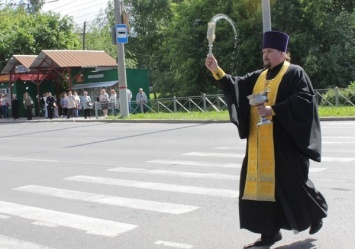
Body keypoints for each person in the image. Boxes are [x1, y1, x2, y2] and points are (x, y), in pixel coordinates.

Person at [205, 31, 328, 248]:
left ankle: (315, 212)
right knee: (258, 187)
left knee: (294, 184)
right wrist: (217, 71)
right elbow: (236, 85)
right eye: (264, 52)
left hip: (285, 143)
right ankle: (269, 234)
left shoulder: (295, 73)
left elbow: (303, 101)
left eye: (269, 51)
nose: (265, 56)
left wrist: (274, 109)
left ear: (282, 52)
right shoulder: (260, 76)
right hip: (259, 144)